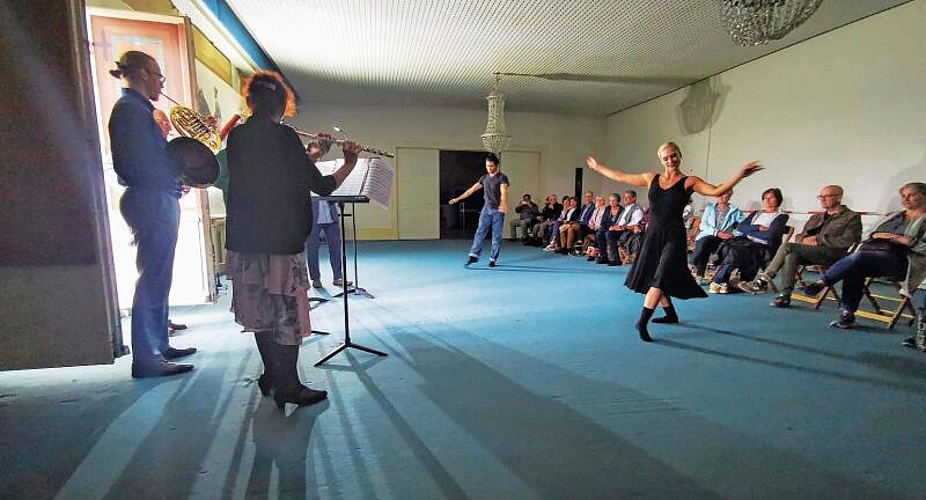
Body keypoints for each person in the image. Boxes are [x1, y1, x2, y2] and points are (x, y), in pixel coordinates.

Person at [225, 70, 362, 408]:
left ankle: (272, 376)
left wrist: (311, 155)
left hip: (245, 241)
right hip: (280, 242)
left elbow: (275, 175)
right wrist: (349, 162)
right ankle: (290, 385)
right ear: (283, 106)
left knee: (260, 313)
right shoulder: (285, 138)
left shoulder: (238, 137)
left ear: (250, 101)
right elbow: (323, 187)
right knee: (286, 316)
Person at [586, 142, 762, 342]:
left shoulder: (689, 181)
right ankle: (670, 313)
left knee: (660, 277)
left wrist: (740, 174)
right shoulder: (651, 178)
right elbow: (621, 176)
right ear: (660, 159)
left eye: (673, 155)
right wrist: (597, 167)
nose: (670, 160)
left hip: (674, 236)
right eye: (666, 157)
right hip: (652, 235)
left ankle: (642, 322)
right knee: (654, 275)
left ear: (680, 156)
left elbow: (716, 190)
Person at [108, 51, 197, 378]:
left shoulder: (137, 109)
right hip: (149, 197)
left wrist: (176, 178)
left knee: (159, 276)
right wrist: (176, 170)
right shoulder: (131, 110)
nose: (161, 82)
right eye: (159, 75)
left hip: (156, 195)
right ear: (144, 73)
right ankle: (147, 359)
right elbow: (135, 164)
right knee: (151, 278)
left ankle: (159, 345)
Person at [801, 182, 926, 330]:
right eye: (903, 196)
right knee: (855, 267)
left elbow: (923, 248)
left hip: (902, 261)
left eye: (911, 195)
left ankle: (822, 283)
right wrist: (883, 235)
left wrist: (901, 239)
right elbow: (868, 234)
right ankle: (847, 313)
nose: (906, 199)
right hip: (874, 255)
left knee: (858, 259)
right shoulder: (893, 216)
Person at [754, 185, 862, 306]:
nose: (822, 199)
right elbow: (799, 236)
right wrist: (804, 240)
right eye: (821, 196)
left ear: (839, 197)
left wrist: (818, 240)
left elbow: (849, 240)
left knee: (787, 246)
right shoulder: (816, 217)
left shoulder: (852, 217)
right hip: (811, 251)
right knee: (791, 255)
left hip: (834, 253)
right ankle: (784, 295)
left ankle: (764, 279)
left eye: (827, 196)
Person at [708, 188, 789, 294]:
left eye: (771, 198)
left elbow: (770, 235)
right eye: (765, 198)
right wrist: (758, 228)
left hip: (764, 247)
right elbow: (740, 227)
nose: (767, 200)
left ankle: (718, 280)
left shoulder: (781, 216)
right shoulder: (757, 213)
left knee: (736, 250)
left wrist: (750, 230)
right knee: (727, 245)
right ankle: (724, 282)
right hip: (747, 242)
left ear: (778, 199)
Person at [449, 153, 509, 267]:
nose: (489, 168)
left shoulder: (502, 178)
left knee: (496, 236)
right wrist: (457, 199)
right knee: (480, 232)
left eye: (491, 166)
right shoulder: (484, 178)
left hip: (498, 210)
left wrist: (503, 203)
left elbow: (504, 192)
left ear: (496, 165)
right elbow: (471, 190)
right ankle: (473, 256)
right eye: (487, 166)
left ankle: (493, 259)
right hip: (486, 209)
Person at [689, 190, 744, 284]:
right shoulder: (709, 208)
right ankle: (699, 274)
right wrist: (716, 232)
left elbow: (743, 225)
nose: (721, 196)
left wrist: (734, 234)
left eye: (724, 194)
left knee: (704, 242)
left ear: (729, 196)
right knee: (704, 242)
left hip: (723, 239)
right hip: (708, 235)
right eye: (719, 194)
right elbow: (703, 225)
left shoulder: (735, 211)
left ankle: (693, 265)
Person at [305, 198, 352, 289]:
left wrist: (340, 200)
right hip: (313, 219)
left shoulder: (329, 184)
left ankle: (338, 277)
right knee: (312, 249)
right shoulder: (309, 184)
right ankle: (316, 279)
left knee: (336, 248)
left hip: (331, 219)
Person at [606, 190, 645, 266]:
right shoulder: (625, 209)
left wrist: (624, 227)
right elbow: (619, 222)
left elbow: (637, 224)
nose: (625, 199)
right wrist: (615, 227)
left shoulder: (637, 209)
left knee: (610, 234)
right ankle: (604, 256)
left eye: (628, 197)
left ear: (634, 198)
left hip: (628, 231)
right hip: (621, 229)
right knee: (605, 232)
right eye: (624, 197)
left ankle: (615, 259)